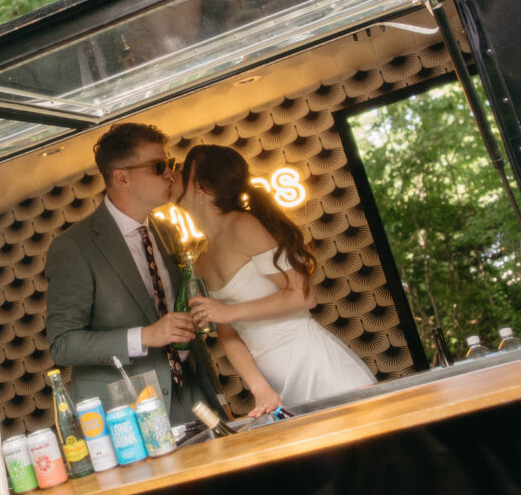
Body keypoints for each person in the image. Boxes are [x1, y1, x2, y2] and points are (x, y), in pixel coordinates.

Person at [45, 122, 222, 425]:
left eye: (170, 164)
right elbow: (62, 344)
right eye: (158, 166)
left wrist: (215, 396)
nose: (170, 173)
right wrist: (146, 336)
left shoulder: (165, 231)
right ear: (122, 177)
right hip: (129, 413)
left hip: (192, 398)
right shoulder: (74, 247)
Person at [179, 143, 374, 416]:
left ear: (202, 187)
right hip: (278, 382)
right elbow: (228, 333)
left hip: (314, 367)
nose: (172, 177)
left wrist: (229, 311)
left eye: (180, 171)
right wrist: (260, 387)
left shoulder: (243, 225)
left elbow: (303, 296)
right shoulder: (201, 259)